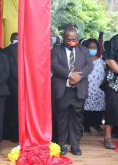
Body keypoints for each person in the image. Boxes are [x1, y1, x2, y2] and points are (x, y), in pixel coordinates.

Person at [51, 26, 93, 156]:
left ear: (77, 38)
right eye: (69, 39)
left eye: (74, 39)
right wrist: (70, 74)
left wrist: (79, 76)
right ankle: (62, 144)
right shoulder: (56, 50)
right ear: (64, 38)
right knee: (61, 118)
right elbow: (53, 65)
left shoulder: (84, 50)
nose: (72, 41)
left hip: (79, 90)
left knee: (77, 118)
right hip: (63, 89)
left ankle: (75, 145)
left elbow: (89, 65)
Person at [102, 33, 118, 149]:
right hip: (114, 81)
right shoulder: (116, 39)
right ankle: (108, 137)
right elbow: (109, 60)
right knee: (112, 108)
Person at [83, 39, 105, 134]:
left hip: (99, 88)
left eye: (94, 47)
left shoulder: (102, 59)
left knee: (99, 107)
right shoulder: (83, 59)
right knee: (87, 108)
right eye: (90, 47)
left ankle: (96, 124)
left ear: (98, 48)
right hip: (87, 87)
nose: (92, 49)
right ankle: (88, 126)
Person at [4, 33, 19, 142]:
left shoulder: (29, 48)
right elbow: (10, 68)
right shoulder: (7, 50)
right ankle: (15, 135)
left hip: (25, 86)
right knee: (14, 110)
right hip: (13, 85)